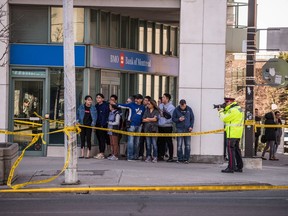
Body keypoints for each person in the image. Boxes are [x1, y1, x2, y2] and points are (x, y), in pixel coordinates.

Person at [218, 97, 244, 173]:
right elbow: (230, 117)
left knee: (230, 150)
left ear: (229, 102)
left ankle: (231, 167)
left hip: (231, 133)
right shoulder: (238, 109)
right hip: (237, 133)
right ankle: (239, 166)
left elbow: (225, 119)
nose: (225, 104)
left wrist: (220, 111)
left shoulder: (233, 110)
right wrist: (225, 109)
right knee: (236, 150)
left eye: (226, 102)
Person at [117, 94, 145, 161]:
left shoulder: (143, 107)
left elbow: (144, 116)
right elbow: (123, 105)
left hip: (139, 126)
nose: (136, 100)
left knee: (137, 142)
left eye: (137, 98)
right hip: (132, 125)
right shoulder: (131, 104)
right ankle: (130, 156)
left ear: (141, 100)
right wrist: (115, 104)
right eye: (135, 98)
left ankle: (135, 156)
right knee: (131, 141)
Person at [172, 99, 194, 164]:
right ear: (179, 104)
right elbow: (173, 118)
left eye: (183, 106)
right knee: (179, 145)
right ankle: (180, 158)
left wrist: (191, 126)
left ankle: (186, 159)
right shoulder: (176, 109)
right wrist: (179, 119)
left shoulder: (189, 109)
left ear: (185, 104)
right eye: (181, 106)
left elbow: (192, 118)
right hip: (179, 128)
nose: (182, 107)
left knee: (187, 145)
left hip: (187, 129)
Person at [158, 93, 175, 162]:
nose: (162, 98)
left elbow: (171, 118)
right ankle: (161, 155)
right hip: (160, 126)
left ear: (167, 99)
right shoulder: (160, 106)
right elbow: (159, 115)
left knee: (168, 141)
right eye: (162, 97)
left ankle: (171, 156)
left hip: (167, 126)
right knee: (160, 141)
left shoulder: (172, 107)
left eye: (164, 97)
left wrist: (165, 116)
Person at [94, 93, 110, 159]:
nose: (98, 99)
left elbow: (105, 116)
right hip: (97, 124)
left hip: (103, 125)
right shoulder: (96, 106)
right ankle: (101, 152)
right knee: (99, 139)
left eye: (99, 97)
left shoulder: (105, 105)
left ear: (102, 99)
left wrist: (103, 124)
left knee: (103, 139)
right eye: (97, 97)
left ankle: (102, 153)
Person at [138, 95, 151, 160]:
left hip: (149, 127)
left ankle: (148, 155)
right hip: (142, 126)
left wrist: (147, 119)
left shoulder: (149, 109)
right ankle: (141, 154)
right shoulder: (142, 107)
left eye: (146, 100)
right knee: (141, 141)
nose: (144, 101)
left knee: (148, 142)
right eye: (144, 100)